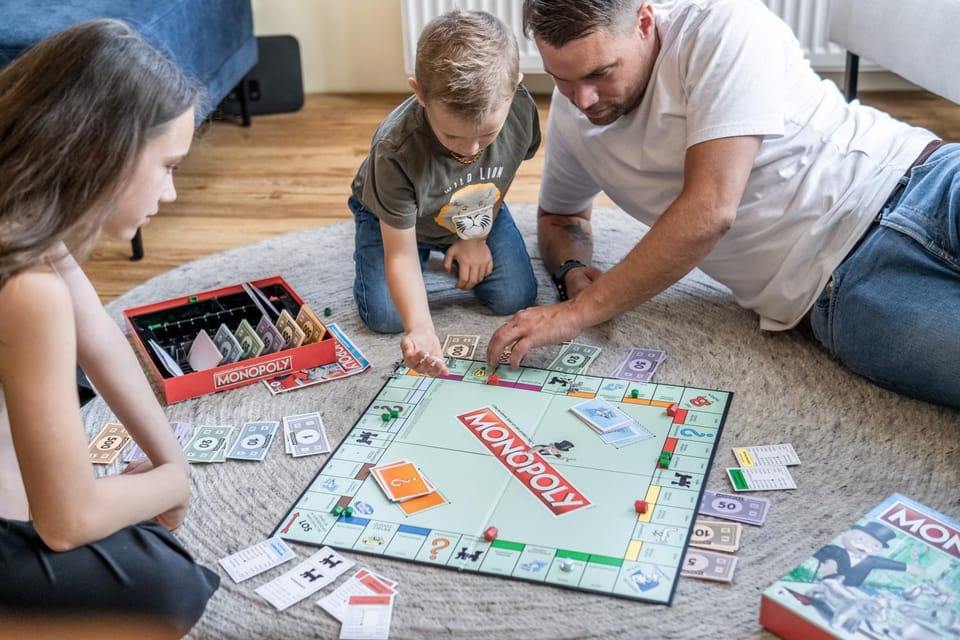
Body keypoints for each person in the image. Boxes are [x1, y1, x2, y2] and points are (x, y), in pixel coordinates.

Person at [487, 0, 960, 409]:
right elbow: (559, 216)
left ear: (644, 22)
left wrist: (577, 312)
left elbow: (710, 210)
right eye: (561, 79)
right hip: (839, 288)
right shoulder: (574, 116)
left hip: (924, 176)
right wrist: (571, 268)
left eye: (599, 73)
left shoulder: (720, 24)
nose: (581, 99)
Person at [0, 20, 219, 634]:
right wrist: (169, 486)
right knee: (168, 585)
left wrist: (169, 463)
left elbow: (102, 341)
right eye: (168, 166)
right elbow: (65, 521)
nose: (171, 192)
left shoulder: (28, 223)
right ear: (105, 152)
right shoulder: (29, 287)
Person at [351, 9, 541, 377]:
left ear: (516, 86)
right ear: (419, 94)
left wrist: (476, 235)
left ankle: (460, 245)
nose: (471, 150)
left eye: (487, 135)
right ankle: (404, 254)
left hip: (474, 209)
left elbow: (499, 178)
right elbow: (401, 256)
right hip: (397, 223)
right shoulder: (395, 150)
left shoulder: (520, 111)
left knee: (515, 295)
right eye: (453, 136)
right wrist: (420, 328)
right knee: (388, 316)